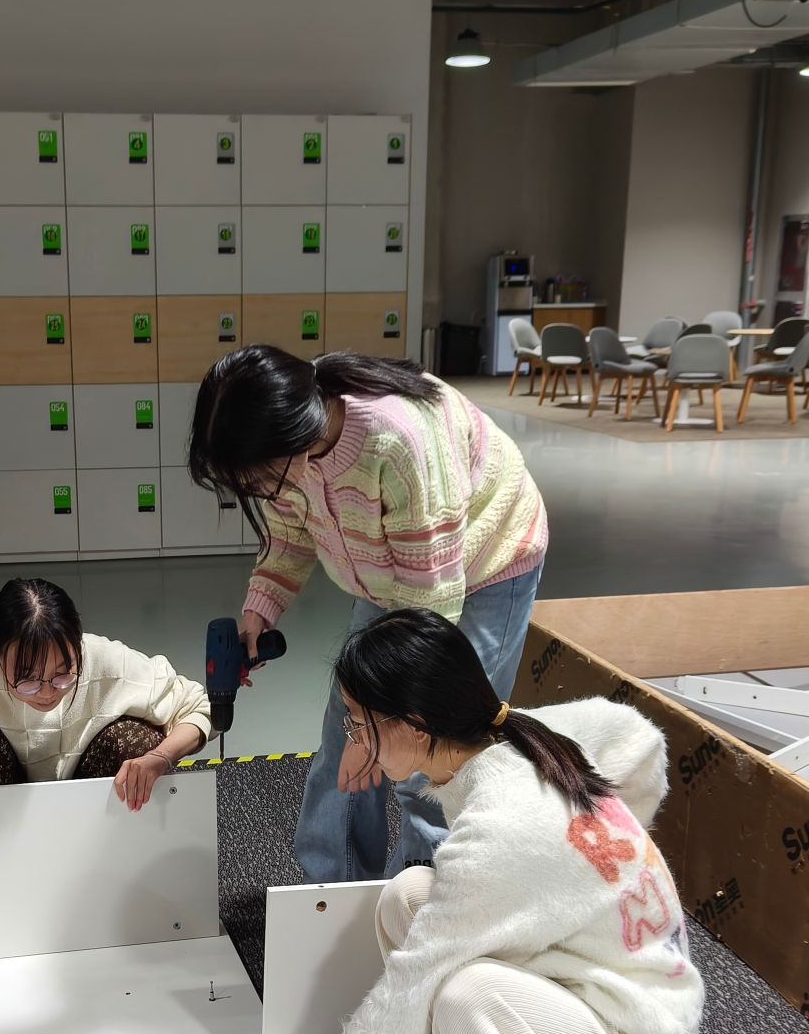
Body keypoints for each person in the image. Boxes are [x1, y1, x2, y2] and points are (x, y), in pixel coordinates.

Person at [252, 611, 707, 1034]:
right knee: (408, 895)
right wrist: (598, 868)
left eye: (358, 722)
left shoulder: (500, 830)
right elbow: (633, 735)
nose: (352, 739)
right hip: (596, 978)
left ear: (413, 724)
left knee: (467, 996)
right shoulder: (521, 732)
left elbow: (414, 976)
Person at [188, 344, 549, 882]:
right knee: (344, 742)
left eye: (259, 481)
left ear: (295, 437)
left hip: (482, 564)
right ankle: (331, 896)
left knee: (435, 750)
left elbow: (431, 609)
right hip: (390, 573)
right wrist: (260, 608)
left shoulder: (397, 444)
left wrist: (379, 734)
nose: (257, 493)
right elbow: (288, 534)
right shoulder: (288, 447)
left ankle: (431, 899)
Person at [0, 576, 210, 814]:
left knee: (136, 744)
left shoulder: (107, 661)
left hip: (97, 807)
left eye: (63, 673)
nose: (47, 692)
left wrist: (159, 757)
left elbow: (196, 708)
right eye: (27, 680)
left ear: (78, 647)